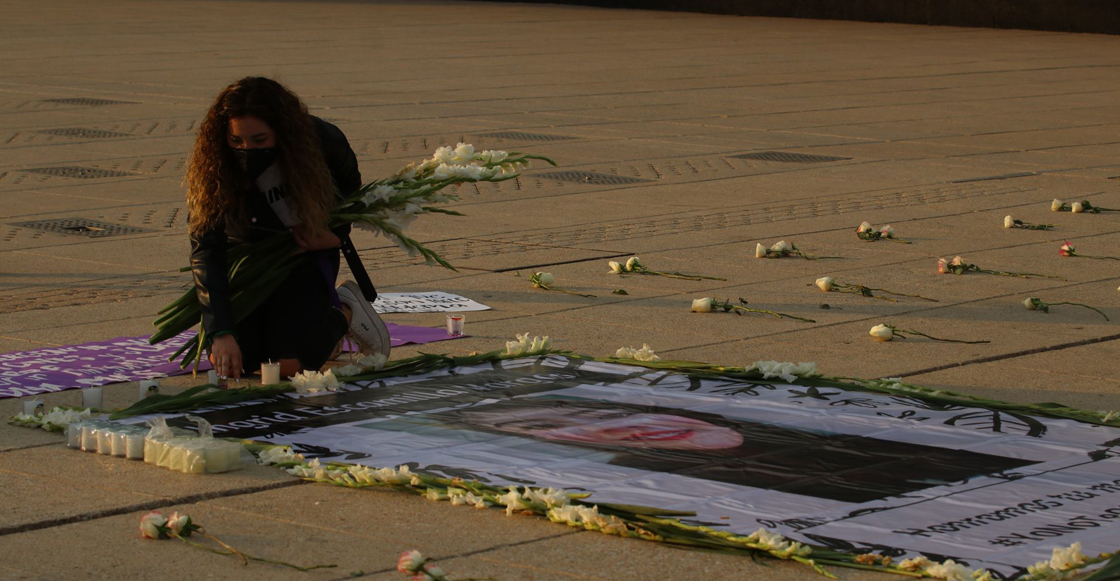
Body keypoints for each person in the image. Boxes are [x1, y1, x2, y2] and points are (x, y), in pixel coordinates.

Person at [185, 76, 388, 382]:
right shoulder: (214, 164)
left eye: (259, 141)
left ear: (282, 131)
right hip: (248, 265)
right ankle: (311, 333)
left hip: (304, 257)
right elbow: (206, 248)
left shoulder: (323, 141)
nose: (247, 150)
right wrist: (220, 330)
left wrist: (335, 235)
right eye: (236, 141)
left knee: (289, 367)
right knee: (238, 362)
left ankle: (343, 310)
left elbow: (352, 196)